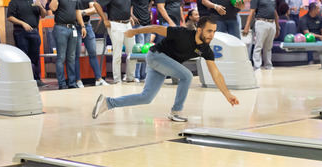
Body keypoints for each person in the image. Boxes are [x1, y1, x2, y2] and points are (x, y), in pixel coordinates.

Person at [92, 17, 239, 122]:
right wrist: (134, 32)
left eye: (214, 31)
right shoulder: (182, 33)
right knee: (187, 76)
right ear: (199, 29)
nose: (211, 35)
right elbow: (155, 28)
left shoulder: (205, 49)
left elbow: (215, 73)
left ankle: (108, 103)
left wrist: (227, 94)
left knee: (146, 97)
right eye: (209, 31)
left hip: (164, 64)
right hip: (156, 56)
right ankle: (176, 111)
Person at [93, 0, 136, 83]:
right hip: (115, 24)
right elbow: (97, 4)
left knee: (132, 52)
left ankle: (130, 77)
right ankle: (117, 80)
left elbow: (129, 5)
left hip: (128, 24)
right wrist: (104, 19)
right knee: (117, 53)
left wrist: (130, 16)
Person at [7, 0, 47, 87]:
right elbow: (10, 17)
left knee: (35, 56)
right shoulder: (14, 2)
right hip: (21, 33)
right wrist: (22, 23)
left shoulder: (35, 1)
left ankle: (37, 79)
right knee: (23, 56)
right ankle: (24, 79)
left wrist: (40, 6)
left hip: (34, 32)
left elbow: (44, 15)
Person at [49, 0, 86, 89]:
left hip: (73, 28)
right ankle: (62, 83)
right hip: (60, 28)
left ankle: (72, 82)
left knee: (71, 57)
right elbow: (53, 8)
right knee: (61, 57)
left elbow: (77, 12)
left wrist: (83, 26)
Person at [242, 0, 279, 70]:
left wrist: (278, 27)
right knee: (259, 45)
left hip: (272, 23)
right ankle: (257, 65)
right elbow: (251, 13)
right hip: (261, 22)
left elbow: (275, 13)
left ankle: (268, 65)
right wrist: (247, 26)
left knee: (269, 46)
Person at [130, 0, 153, 83]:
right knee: (140, 50)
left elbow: (149, 2)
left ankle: (144, 75)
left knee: (147, 49)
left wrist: (150, 12)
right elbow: (128, 5)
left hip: (147, 22)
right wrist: (131, 16)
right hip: (138, 23)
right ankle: (136, 75)